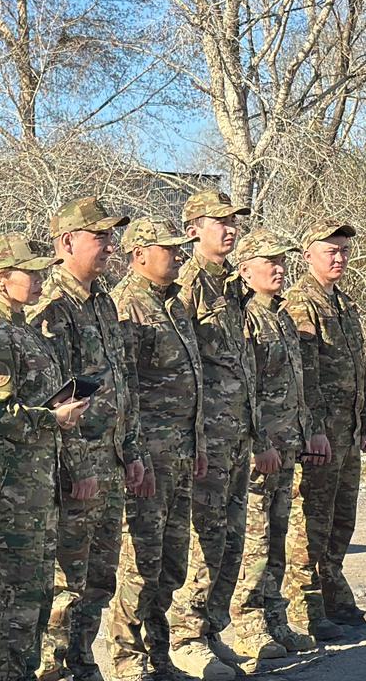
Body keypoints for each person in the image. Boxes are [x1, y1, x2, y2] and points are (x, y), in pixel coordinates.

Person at [0, 233, 89, 681]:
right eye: (28, 272)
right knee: (17, 597)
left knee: (37, 593)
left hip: (40, 480)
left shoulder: (22, 328)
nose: (38, 279)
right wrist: (53, 418)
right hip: (17, 483)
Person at [26, 198, 147, 681]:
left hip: (110, 461)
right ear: (67, 241)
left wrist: (131, 450)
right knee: (64, 581)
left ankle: (81, 663)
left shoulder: (100, 300)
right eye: (99, 237)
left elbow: (121, 381)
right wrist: (76, 467)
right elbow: (52, 402)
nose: (109, 246)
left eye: (110, 237)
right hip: (76, 468)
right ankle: (51, 669)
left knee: (99, 578)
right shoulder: (50, 306)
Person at [106, 218, 207, 681]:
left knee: (171, 564)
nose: (179, 255)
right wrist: (133, 454)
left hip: (182, 452)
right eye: (169, 248)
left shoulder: (173, 304)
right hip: (148, 457)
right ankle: (129, 660)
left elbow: (193, 384)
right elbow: (123, 389)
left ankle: (159, 656)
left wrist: (198, 441)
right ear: (140, 253)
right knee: (141, 564)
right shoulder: (128, 305)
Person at [226, 228, 329, 660]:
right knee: (254, 538)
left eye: (281, 261)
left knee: (279, 534)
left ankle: (275, 618)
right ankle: (248, 626)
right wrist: (257, 442)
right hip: (262, 445)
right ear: (246, 270)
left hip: (287, 443)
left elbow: (296, 384)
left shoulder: (282, 315)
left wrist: (306, 431)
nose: (279, 268)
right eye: (269, 261)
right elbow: (247, 388)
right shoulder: (246, 316)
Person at [168, 191, 258, 680]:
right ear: (193, 228)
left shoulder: (231, 284)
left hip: (236, 429)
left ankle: (210, 626)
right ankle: (185, 635)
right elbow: (180, 364)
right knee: (202, 533)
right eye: (219, 222)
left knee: (229, 533)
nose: (230, 229)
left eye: (233, 222)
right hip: (205, 433)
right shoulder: (187, 283)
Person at [281, 221, 366, 633]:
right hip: (321, 435)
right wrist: (313, 429)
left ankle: (336, 600)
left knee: (341, 519)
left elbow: (359, 367)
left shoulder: (342, 302)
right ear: (308, 255)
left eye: (343, 250)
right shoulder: (301, 303)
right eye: (330, 250)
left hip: (348, 430)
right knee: (310, 523)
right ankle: (305, 613)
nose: (339, 257)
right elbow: (304, 375)